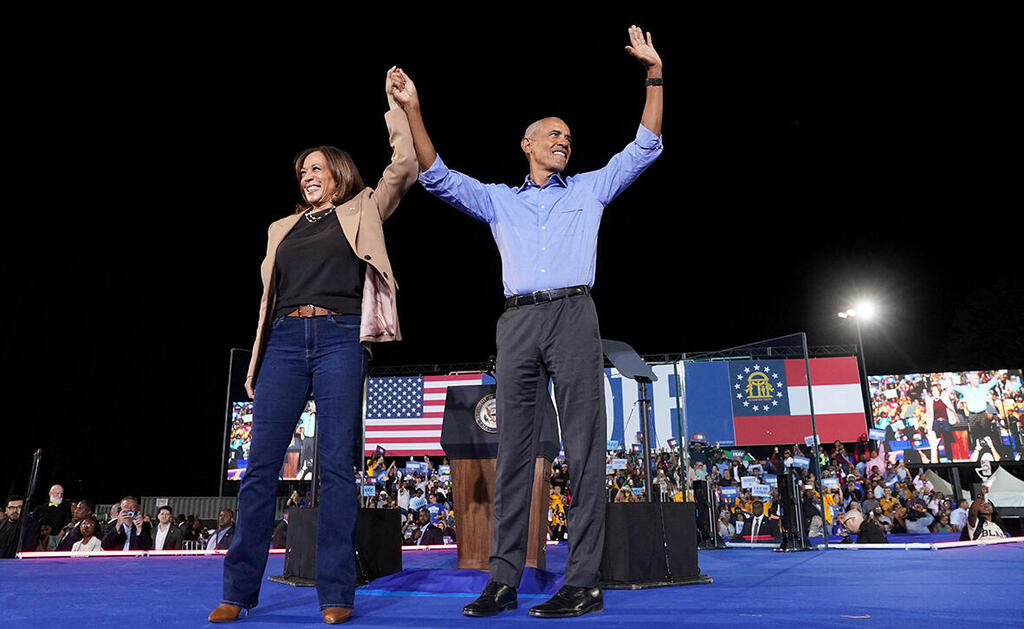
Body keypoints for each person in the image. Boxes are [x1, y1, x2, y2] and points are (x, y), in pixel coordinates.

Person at [393, 25, 663, 619]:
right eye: (552, 134)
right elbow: (436, 175)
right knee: (513, 451)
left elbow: (644, 145)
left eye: (568, 135)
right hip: (516, 322)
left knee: (585, 448)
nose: (564, 140)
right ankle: (503, 579)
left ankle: (584, 581)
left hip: (573, 313)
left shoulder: (590, 189)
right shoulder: (499, 199)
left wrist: (654, 75)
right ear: (527, 144)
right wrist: (413, 108)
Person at [210, 69, 417, 626]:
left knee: (337, 469)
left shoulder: (363, 209)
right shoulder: (281, 228)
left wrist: (399, 107)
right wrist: (255, 364)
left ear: (339, 175)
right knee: (259, 469)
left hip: (339, 340)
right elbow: (265, 304)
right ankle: (238, 592)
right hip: (281, 344)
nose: (307, 176)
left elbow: (405, 166)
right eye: (302, 171)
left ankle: (336, 596)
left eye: (316, 168)